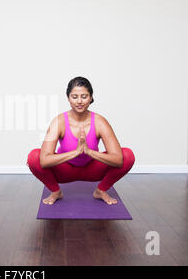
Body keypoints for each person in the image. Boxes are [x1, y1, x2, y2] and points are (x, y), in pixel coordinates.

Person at [27, 76, 135, 205]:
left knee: (128, 155)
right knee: (34, 156)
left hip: (92, 169)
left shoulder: (100, 122)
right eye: (74, 97)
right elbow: (44, 161)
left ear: (90, 98)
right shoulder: (58, 122)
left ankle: (101, 190)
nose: (79, 101)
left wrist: (89, 152)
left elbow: (118, 160)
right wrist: (76, 152)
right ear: (68, 98)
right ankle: (56, 191)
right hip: (65, 171)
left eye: (84, 96)